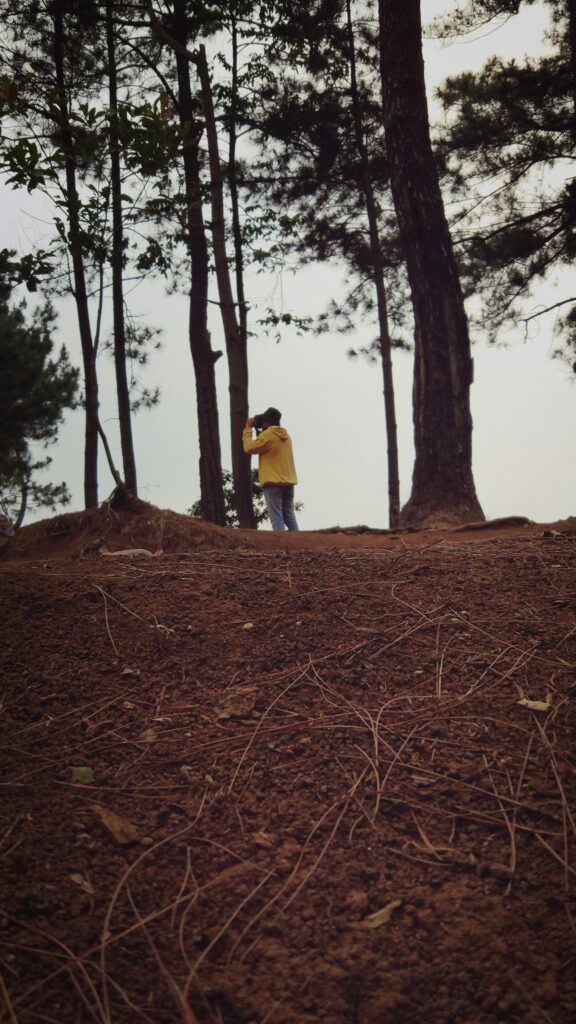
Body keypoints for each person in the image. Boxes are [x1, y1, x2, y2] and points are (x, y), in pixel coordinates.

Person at [242, 407, 299, 531]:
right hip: (289, 482)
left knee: (276, 516)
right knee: (289, 514)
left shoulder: (268, 435)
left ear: (267, 422)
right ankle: (298, 544)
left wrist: (248, 429)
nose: (261, 424)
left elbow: (249, 448)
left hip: (273, 483)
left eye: (263, 421)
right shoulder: (286, 436)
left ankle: (282, 545)